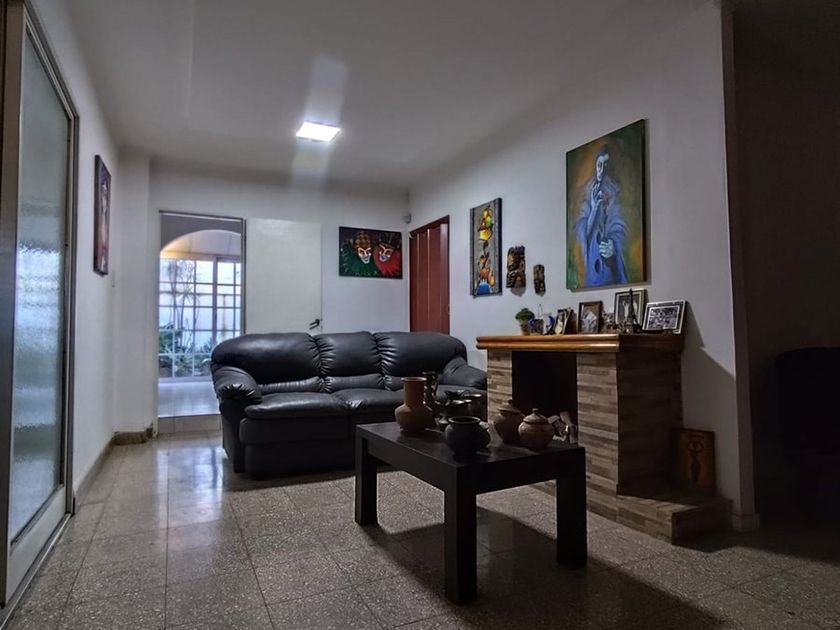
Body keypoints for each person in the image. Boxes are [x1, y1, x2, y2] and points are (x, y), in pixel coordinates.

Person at [573, 145, 628, 286]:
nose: (601, 170)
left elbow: (618, 224)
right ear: (595, 166)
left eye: (605, 165)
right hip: (592, 263)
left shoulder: (614, 192)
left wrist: (613, 245)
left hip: (608, 265)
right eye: (599, 165)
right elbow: (583, 229)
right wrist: (594, 207)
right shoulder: (588, 192)